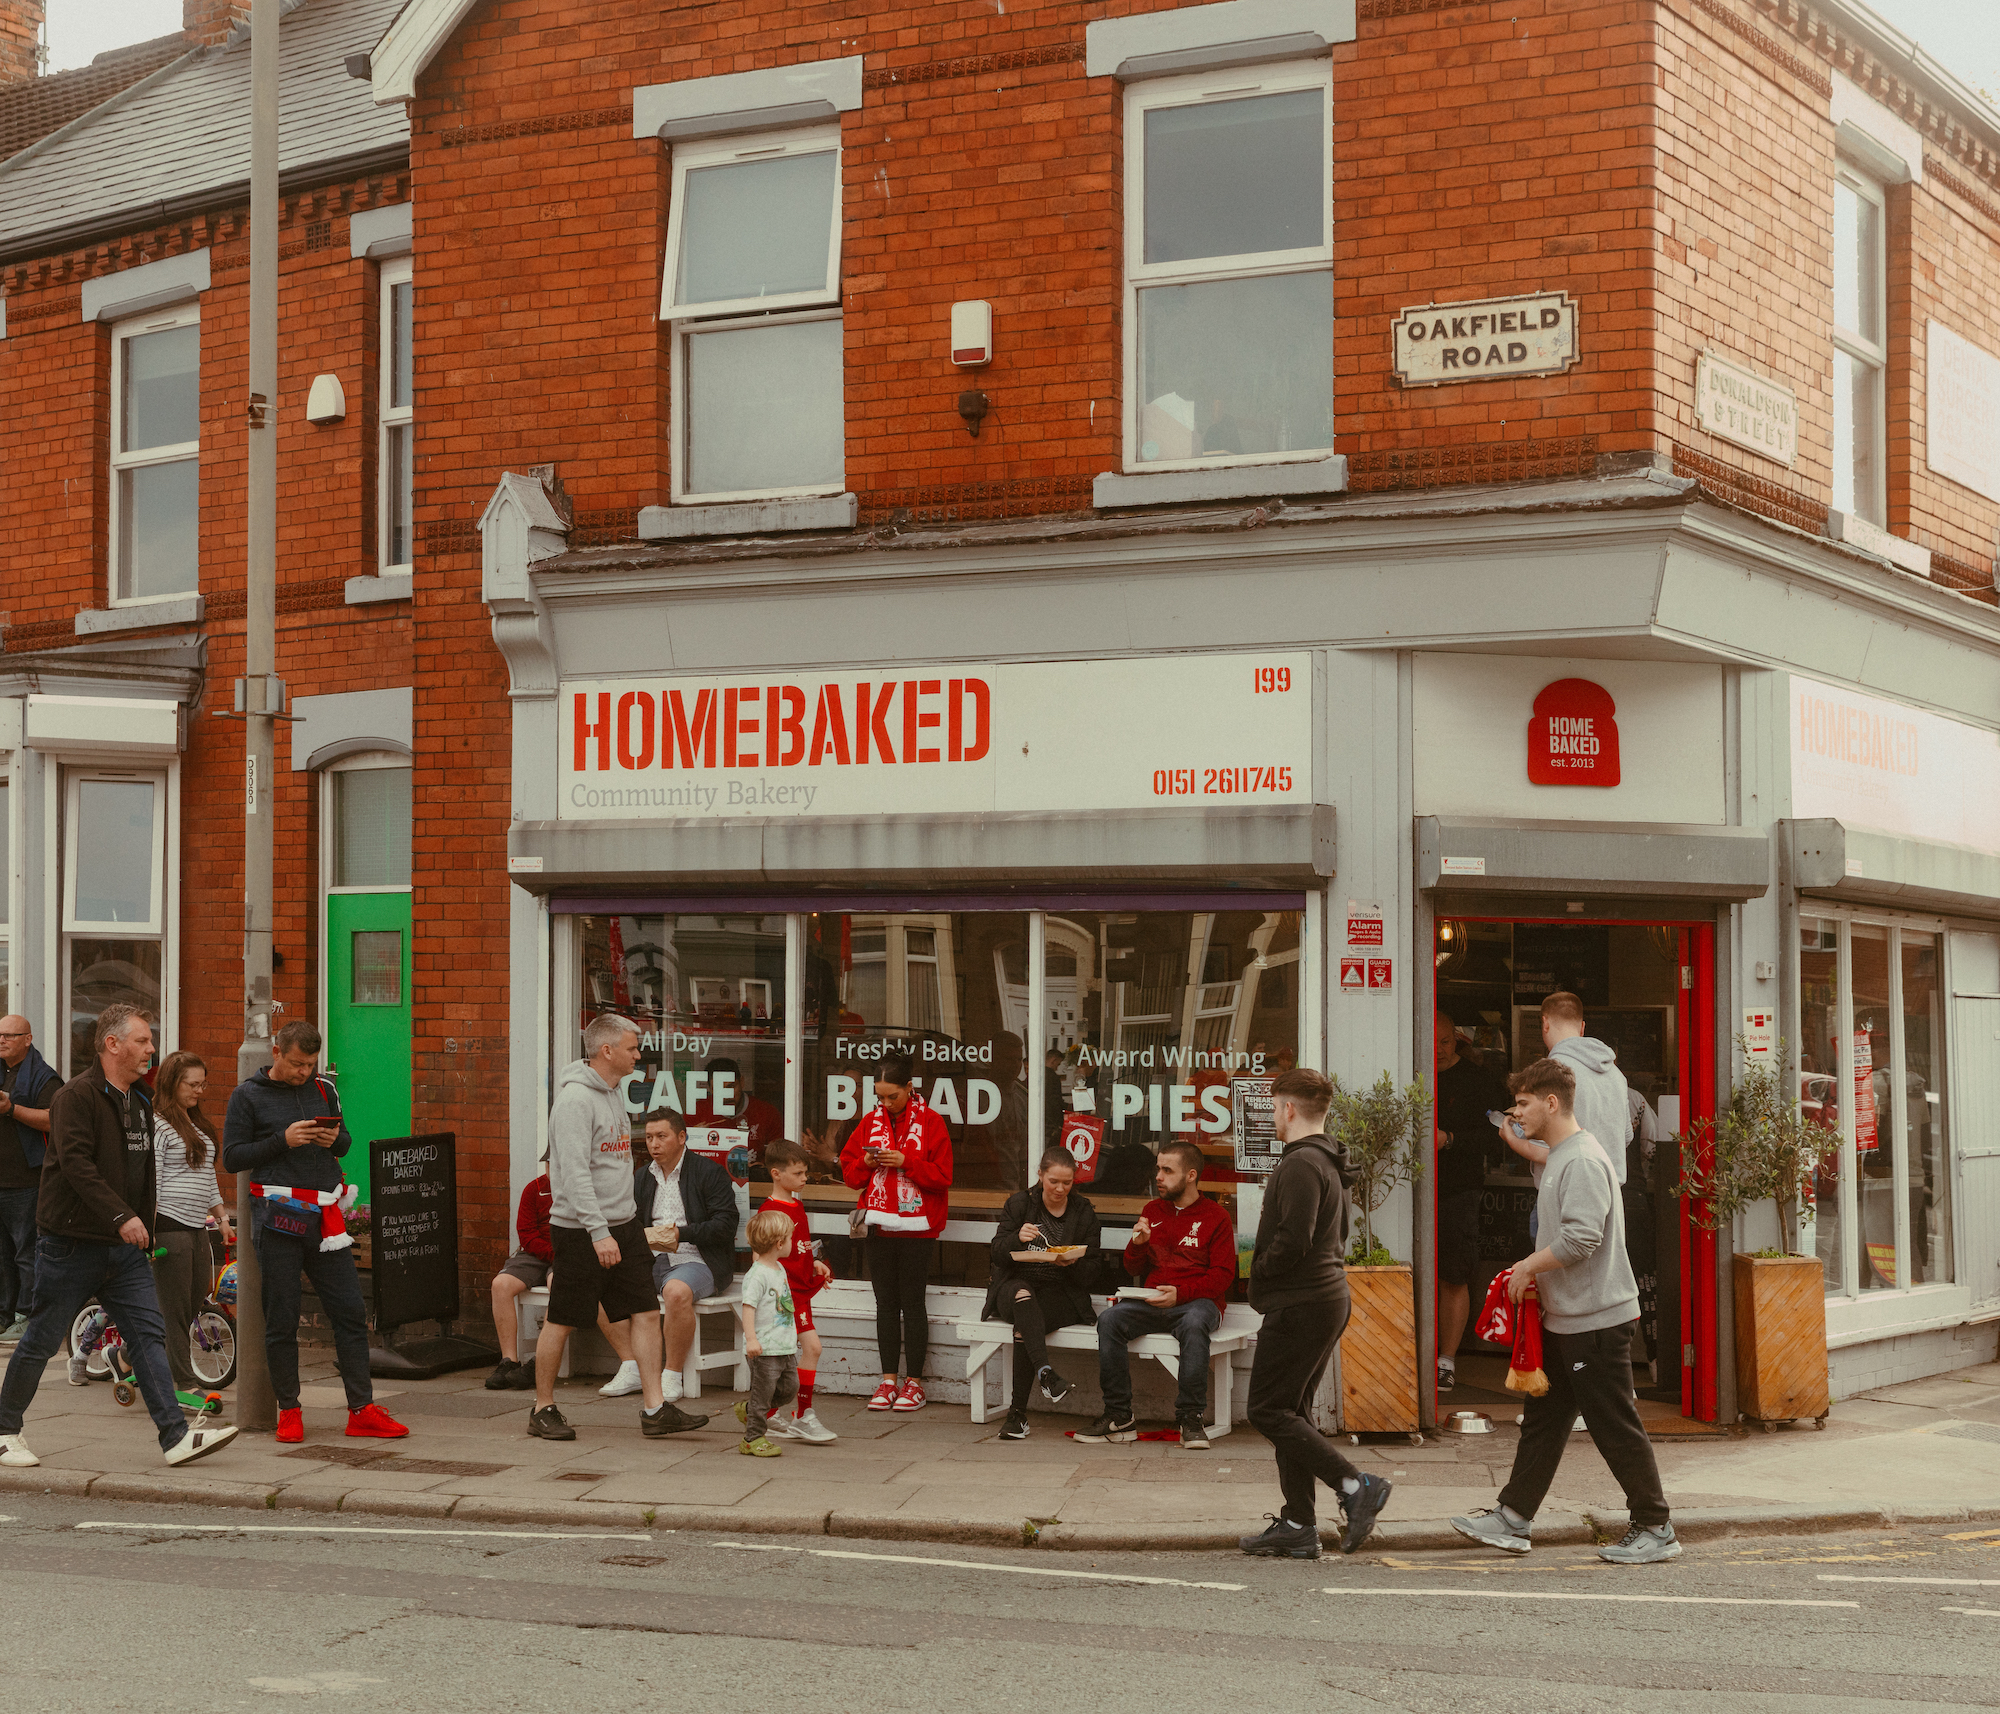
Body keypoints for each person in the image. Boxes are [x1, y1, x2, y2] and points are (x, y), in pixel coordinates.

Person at [1450, 1058, 1680, 1565]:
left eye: (1525, 1104)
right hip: (1569, 1318)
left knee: (1614, 1426)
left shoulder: (1580, 1160)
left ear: (1551, 1102)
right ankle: (1513, 1518)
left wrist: (1527, 1267)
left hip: (1595, 1321)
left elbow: (1580, 1239)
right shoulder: (1561, 1155)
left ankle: (1655, 1525)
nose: (1517, 1113)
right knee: (1544, 1421)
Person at [0, 1005, 237, 1471]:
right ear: (113, 1044)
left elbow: (143, 1174)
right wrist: (121, 1217)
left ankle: (175, 1438)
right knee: (43, 1339)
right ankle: (6, 1431)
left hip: (124, 1250)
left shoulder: (141, 1102)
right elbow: (76, 1165)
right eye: (143, 1041)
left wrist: (142, 1229)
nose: (152, 1049)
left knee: (149, 1336)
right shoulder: (76, 1096)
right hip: (70, 1244)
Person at [222, 1020, 407, 1445]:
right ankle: (289, 1411)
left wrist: (331, 1140)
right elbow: (233, 1158)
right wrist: (283, 1139)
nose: (303, 1072)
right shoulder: (247, 1096)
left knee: (349, 1311)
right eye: (296, 1064)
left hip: (325, 1219)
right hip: (279, 1219)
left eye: (310, 1065)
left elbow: (344, 1142)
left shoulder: (325, 1089)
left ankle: (361, 1409)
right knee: (282, 1318)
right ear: (276, 1053)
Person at [1239, 1067, 1392, 1560]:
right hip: (1322, 1299)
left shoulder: (1302, 1163)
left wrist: (1259, 1270)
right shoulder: (1326, 1159)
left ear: (1288, 1109)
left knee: (1266, 1409)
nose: (1272, 1117)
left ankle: (1354, 1485)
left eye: (1273, 1107)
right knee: (1293, 1412)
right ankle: (1298, 1524)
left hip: (1302, 1302)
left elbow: (1294, 1239)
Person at [529, 1015, 705, 1440]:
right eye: (632, 1047)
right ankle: (542, 1409)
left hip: (623, 1226)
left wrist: (619, 1226)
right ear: (606, 1051)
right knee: (563, 1319)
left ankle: (654, 1409)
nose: (638, 1055)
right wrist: (597, 1231)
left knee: (645, 1312)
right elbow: (571, 1175)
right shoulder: (574, 1101)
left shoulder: (612, 1095)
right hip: (582, 1230)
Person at [1083, 1139, 1235, 1450]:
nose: (1159, 1177)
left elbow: (1222, 1276)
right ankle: (1119, 1417)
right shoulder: (1152, 1209)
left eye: (1167, 1170)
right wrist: (1138, 1244)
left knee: (1194, 1325)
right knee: (1110, 1320)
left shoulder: (1215, 1216)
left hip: (1198, 1303)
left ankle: (1190, 1418)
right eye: (1158, 1169)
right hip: (1152, 1300)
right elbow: (1130, 1266)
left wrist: (1181, 1294)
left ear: (1190, 1175)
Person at [841, 1051, 952, 1412]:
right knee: (886, 1305)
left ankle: (914, 1383)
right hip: (879, 1224)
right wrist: (866, 1161)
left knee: (913, 1304)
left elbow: (943, 1177)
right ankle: (888, 1380)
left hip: (918, 1227)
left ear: (910, 1087)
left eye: (894, 1096)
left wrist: (908, 1163)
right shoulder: (870, 1122)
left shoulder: (932, 1122)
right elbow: (849, 1175)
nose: (886, 1104)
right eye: (880, 1097)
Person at [985, 1149, 1100, 1442]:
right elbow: (997, 1254)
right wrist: (1015, 1238)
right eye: (1053, 1182)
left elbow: (1094, 1271)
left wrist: (1071, 1263)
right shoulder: (1020, 1204)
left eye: (1067, 1182)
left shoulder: (1083, 1211)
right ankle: (1045, 1373)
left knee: (1026, 1323)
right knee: (1022, 1295)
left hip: (1061, 1292)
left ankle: (1017, 1416)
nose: (1060, 1189)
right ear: (1040, 1175)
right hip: (1015, 1285)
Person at [632, 1106, 734, 1408]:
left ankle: (672, 1373)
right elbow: (631, 1221)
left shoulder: (708, 1172)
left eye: (661, 1136)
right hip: (651, 1258)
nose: (654, 1144)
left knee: (676, 1292)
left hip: (698, 1259)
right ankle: (630, 1365)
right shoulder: (642, 1176)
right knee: (598, 1280)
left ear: (681, 1137)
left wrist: (681, 1234)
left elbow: (726, 1225)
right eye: (649, 1137)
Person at [149, 1052, 233, 1410]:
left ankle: (123, 1357)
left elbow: (206, 1179)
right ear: (171, 1083)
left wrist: (223, 1219)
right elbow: (150, 1181)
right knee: (175, 1309)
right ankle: (183, 1383)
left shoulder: (195, 1124)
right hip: (168, 1225)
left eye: (203, 1083)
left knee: (197, 1297)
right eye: (192, 1084)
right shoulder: (158, 1124)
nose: (200, 1090)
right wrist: (148, 1230)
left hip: (199, 1225)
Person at [1433, 1008, 1505, 1394]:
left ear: (1456, 1039)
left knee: (1453, 1275)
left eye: (1445, 1042)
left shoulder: (1478, 1080)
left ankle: (1446, 1360)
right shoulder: (1410, 1072)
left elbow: (1501, 1135)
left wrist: (1452, 1140)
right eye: (1430, 1043)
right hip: (1409, 1189)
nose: (1438, 1050)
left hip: (1459, 1191)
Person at [754, 1137, 836, 1443]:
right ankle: (801, 1415)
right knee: (808, 1349)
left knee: (789, 1354)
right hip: (785, 1295)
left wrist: (815, 1263)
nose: (805, 1178)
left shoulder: (796, 1205)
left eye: (806, 1173)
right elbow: (760, 1255)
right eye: (799, 1173)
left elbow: (799, 1247)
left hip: (799, 1290)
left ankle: (776, 1412)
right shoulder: (770, 1210)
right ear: (776, 1173)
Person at [0, 1014, 59, 1342]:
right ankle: (3, 1315)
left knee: (26, 1252)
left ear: (28, 1039)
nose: (2, 1041)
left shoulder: (43, 1077)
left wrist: (12, 1110)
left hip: (26, 1182)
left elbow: (54, 1120)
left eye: (10, 1035)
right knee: (2, 1254)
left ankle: (26, 1316)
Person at [735, 1207, 800, 1458]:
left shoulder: (778, 1269)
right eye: (791, 1239)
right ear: (780, 1243)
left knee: (788, 1389)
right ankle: (752, 1438)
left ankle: (750, 1408)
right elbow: (748, 1308)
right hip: (763, 1349)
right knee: (764, 1396)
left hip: (784, 1345)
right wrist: (751, 1339)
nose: (792, 1243)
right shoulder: (757, 1275)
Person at [485, 1164, 553, 1390]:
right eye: (550, 1164)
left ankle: (541, 1362)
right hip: (535, 1253)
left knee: (558, 1284)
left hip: (566, 1255)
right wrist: (549, 1253)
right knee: (501, 1284)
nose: (554, 1169)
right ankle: (509, 1361)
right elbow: (526, 1233)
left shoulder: (581, 1188)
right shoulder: (533, 1189)